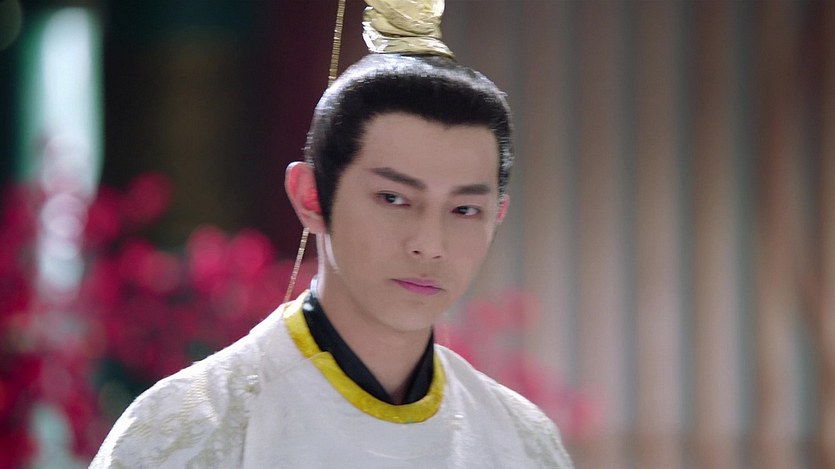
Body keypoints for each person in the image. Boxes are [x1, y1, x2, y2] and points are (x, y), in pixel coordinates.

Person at [91, 1, 572, 467]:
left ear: (497, 216)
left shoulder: (522, 443)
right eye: (393, 199)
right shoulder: (187, 433)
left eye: (464, 209)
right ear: (311, 196)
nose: (429, 244)